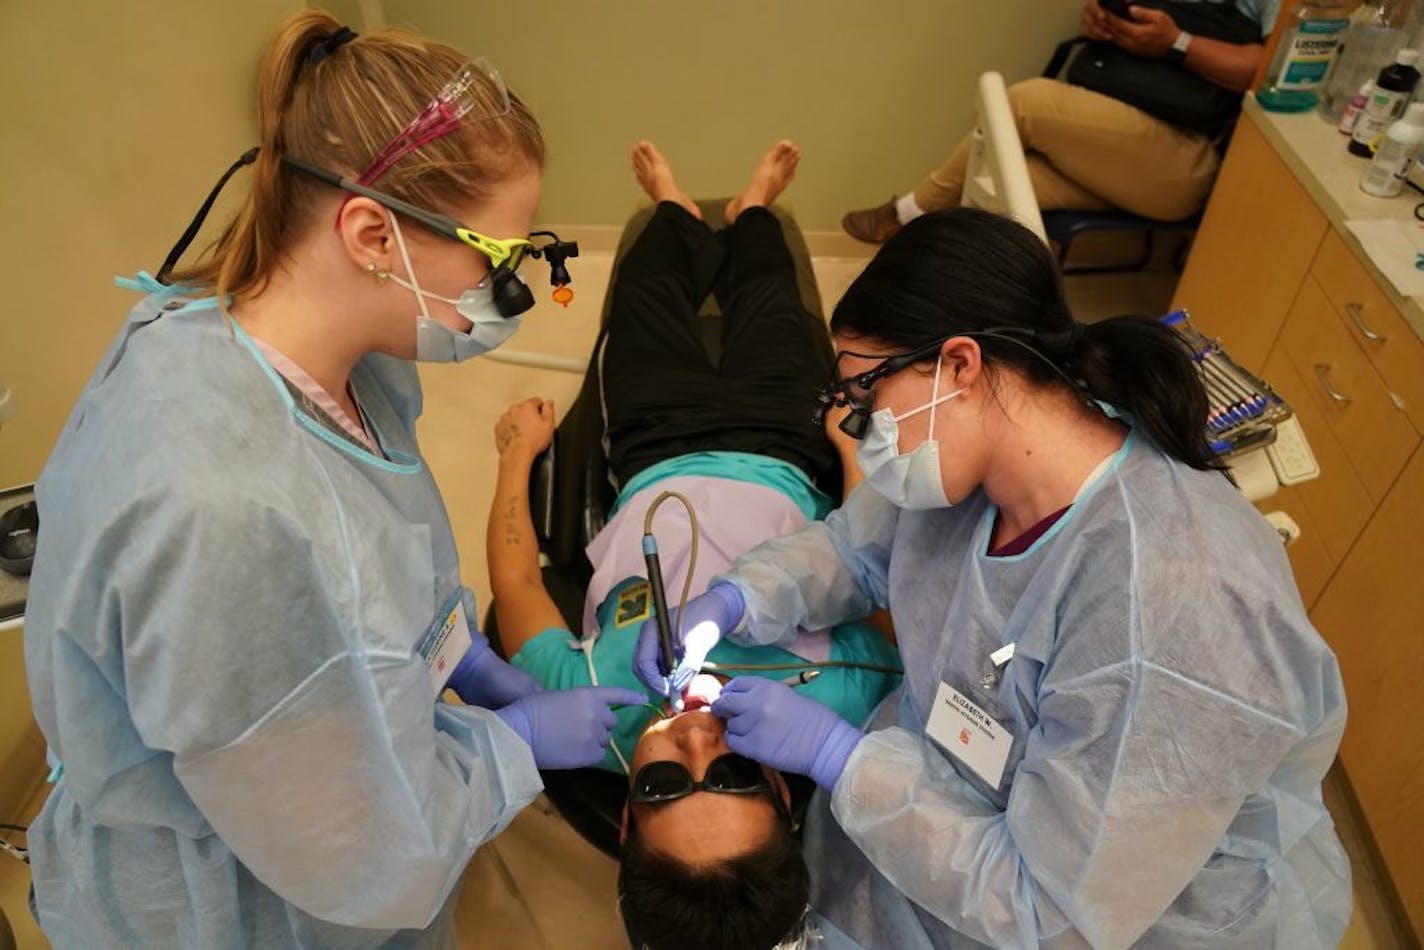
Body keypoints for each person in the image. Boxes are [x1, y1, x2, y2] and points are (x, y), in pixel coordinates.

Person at [22, 13, 641, 947]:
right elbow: (362, 854)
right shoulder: (226, 516)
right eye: (496, 259)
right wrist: (516, 747)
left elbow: (381, 560)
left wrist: (461, 659)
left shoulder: (312, 352)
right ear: (372, 234)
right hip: (244, 902)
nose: (508, 293)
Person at [636, 207, 1352, 947]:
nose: (862, 428)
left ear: (958, 366)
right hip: (951, 806)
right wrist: (734, 601)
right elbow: (856, 551)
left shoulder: (1172, 606)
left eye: (865, 395)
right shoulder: (974, 461)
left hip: (1108, 914)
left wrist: (838, 757)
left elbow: (1049, 910)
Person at [485, 141, 901, 950]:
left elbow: (519, 588)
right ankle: (752, 209)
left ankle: (672, 205)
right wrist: (848, 453)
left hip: (651, 444)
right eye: (736, 775)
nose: (698, 740)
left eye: (669, 782)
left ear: (627, 816)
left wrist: (515, 456)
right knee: (774, 302)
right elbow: (870, 566)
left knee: (645, 296)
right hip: (786, 443)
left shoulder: (590, 719)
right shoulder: (845, 704)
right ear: (786, 797)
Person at [841, 0, 1280, 243]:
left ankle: (910, 212)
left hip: (1187, 159)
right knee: (1001, 183)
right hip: (1124, 136)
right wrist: (1109, 25)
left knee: (1022, 101)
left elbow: (1269, 67)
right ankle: (935, 282)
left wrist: (1175, 42)